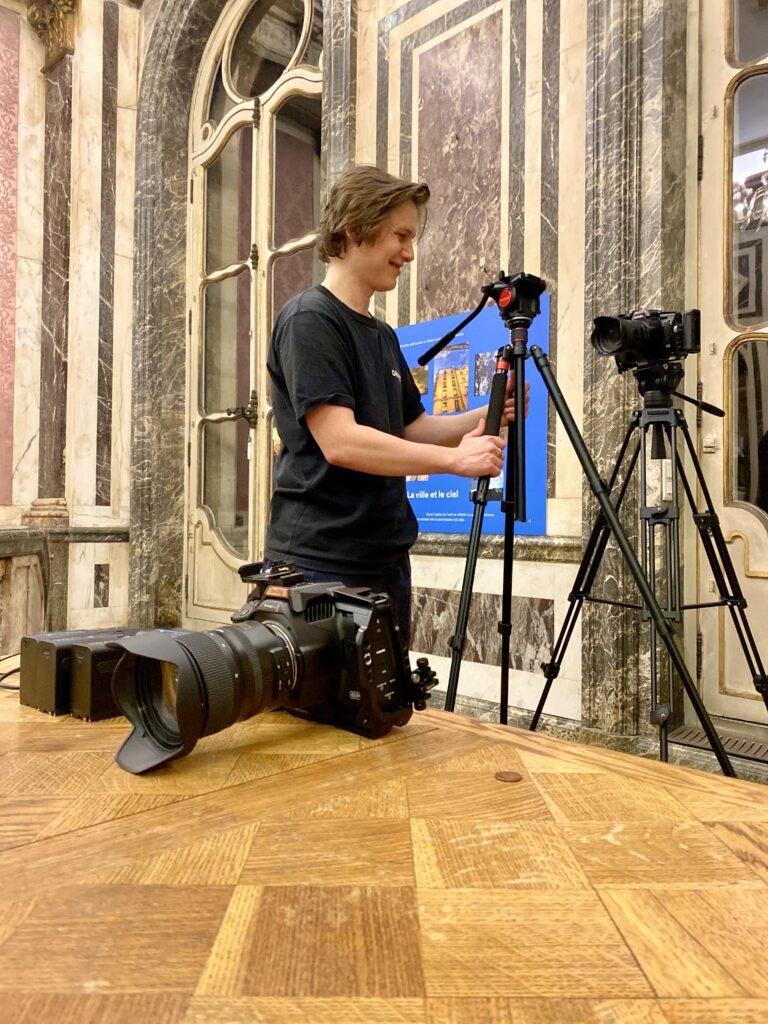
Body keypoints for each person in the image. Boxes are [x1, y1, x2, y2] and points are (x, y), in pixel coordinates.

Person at [263, 164, 522, 648]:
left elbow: (411, 426)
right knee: (322, 721)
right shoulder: (309, 320)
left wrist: (489, 412)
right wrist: (454, 461)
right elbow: (340, 442)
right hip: (320, 561)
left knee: (385, 713)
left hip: (383, 556)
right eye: (400, 236)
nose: (409, 252)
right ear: (354, 230)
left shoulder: (381, 335)